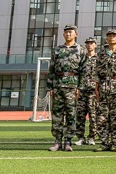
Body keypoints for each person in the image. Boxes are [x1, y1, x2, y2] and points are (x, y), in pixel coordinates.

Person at [46, 24, 88, 152]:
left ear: (76, 34)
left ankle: (68, 141)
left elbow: (84, 71)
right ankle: (57, 141)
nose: (68, 34)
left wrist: (80, 88)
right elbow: (51, 69)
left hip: (72, 86)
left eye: (71, 32)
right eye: (66, 32)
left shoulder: (81, 50)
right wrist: (50, 87)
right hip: (58, 86)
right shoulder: (57, 50)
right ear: (63, 35)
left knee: (71, 114)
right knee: (57, 115)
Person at [93, 29, 116, 152]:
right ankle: (104, 142)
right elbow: (96, 72)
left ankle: (114, 143)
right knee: (101, 118)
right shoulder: (101, 54)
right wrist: (96, 89)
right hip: (103, 87)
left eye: (114, 36)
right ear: (106, 39)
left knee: (115, 117)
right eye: (109, 36)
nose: (112, 38)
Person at [75, 36, 98, 146]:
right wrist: (77, 88)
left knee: (93, 115)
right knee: (80, 115)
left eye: (91, 43)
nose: (89, 45)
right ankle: (80, 137)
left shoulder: (99, 59)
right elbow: (77, 74)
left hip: (93, 91)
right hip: (82, 90)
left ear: (95, 45)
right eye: (87, 43)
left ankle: (92, 137)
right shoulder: (82, 59)